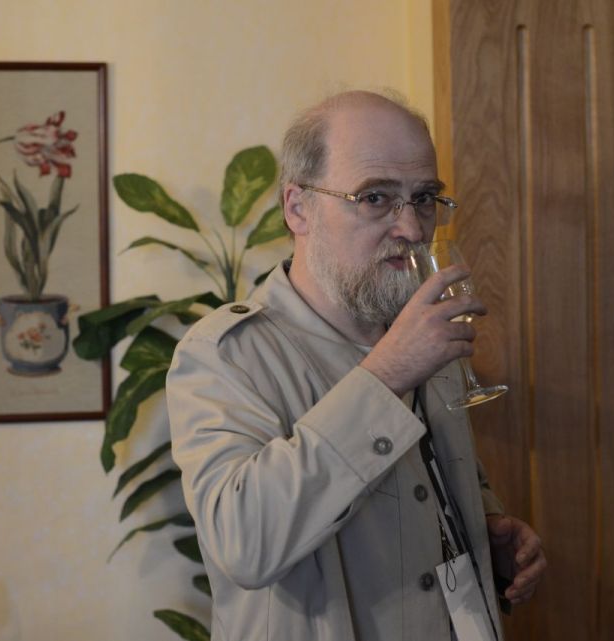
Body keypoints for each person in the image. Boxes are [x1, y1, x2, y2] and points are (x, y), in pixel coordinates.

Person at [166, 90, 546, 641]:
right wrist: (385, 377)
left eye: (423, 198)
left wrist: (484, 526)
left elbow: (433, 477)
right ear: (298, 208)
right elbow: (244, 544)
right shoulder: (226, 354)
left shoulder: (420, 329)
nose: (412, 228)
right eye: (374, 197)